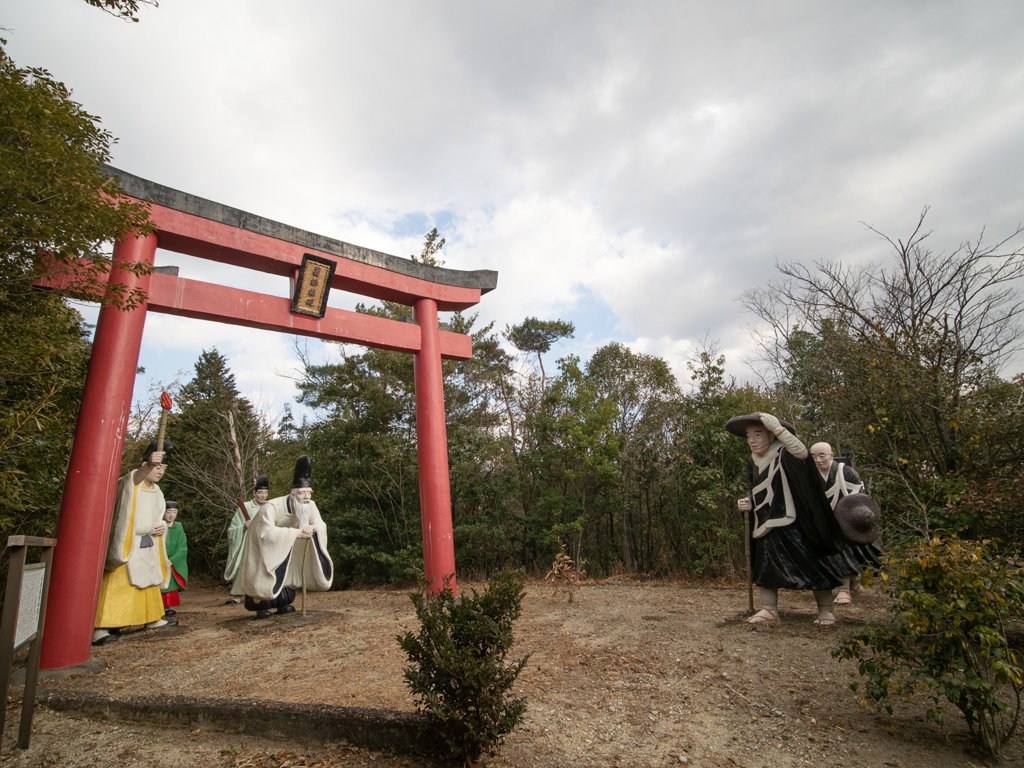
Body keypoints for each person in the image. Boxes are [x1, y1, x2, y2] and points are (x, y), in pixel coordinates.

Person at [729, 413, 845, 626]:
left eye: (758, 434)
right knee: (765, 566)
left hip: (794, 522)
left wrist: (780, 430)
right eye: (748, 436)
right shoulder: (752, 462)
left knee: (813, 563)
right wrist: (748, 501)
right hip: (765, 523)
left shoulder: (785, 454)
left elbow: (803, 456)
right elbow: (753, 489)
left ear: (771, 435)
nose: (752, 440)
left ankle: (826, 610)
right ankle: (769, 609)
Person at [93, 441, 179, 646]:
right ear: (146, 464)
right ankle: (102, 626)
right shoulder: (130, 482)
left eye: (163, 469)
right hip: (129, 544)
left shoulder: (157, 491)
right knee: (119, 581)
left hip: (150, 543)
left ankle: (152, 618)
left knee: (149, 580)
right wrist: (147, 465)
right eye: (157, 468)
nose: (159, 472)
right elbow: (132, 481)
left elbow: (160, 516)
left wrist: (161, 528)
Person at [237, 456, 333, 619]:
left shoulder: (310, 505)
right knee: (266, 580)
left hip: (289, 550)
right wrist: (295, 533)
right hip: (265, 550)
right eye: (302, 493)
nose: (306, 497)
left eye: (309, 493)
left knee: (287, 579)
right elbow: (265, 533)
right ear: (292, 494)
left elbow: (320, 524)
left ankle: (284, 603)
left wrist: (314, 528)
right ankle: (262, 606)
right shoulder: (271, 507)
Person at [809, 442, 882, 605]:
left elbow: (859, 500)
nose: (818, 460)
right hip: (826, 523)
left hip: (849, 521)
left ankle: (844, 589)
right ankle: (853, 585)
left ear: (831, 455)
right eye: (814, 457)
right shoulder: (813, 475)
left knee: (845, 550)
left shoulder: (847, 473)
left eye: (822, 455)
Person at [224, 476, 269, 605]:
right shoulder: (245, 507)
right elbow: (232, 529)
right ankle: (237, 595)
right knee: (242, 565)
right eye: (260, 492)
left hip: (263, 542)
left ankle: (260, 593)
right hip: (246, 542)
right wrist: (243, 526)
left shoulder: (269, 507)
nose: (263, 496)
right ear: (254, 493)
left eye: (265, 493)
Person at [160, 501, 188, 616]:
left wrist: (174, 559)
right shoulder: (159, 525)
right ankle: (158, 606)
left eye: (174, 512)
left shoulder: (179, 526)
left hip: (172, 561)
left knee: (170, 583)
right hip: (160, 558)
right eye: (168, 512)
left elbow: (183, 546)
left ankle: (167, 606)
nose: (171, 515)